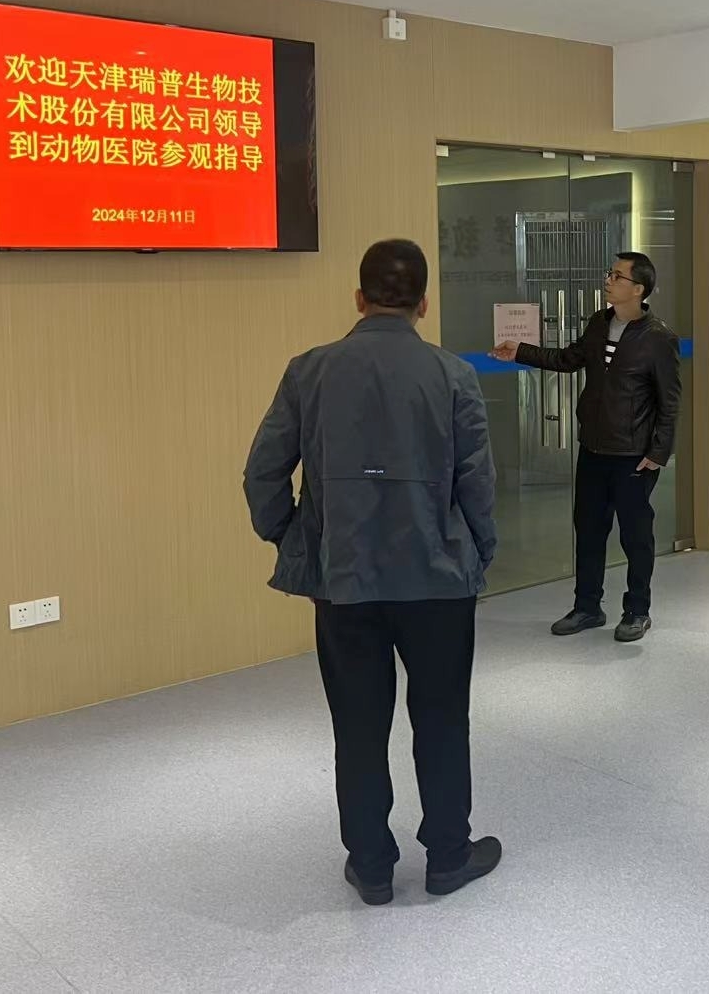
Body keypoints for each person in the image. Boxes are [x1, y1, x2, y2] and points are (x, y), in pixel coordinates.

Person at [243, 239, 502, 907]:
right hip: (439, 580)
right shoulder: (452, 375)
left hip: (345, 579)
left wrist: (294, 537)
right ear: (424, 304)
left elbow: (263, 473)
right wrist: (480, 551)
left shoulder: (310, 371)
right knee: (442, 718)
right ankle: (448, 856)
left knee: (357, 726)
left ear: (359, 299)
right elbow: (477, 482)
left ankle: (372, 865)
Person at [491, 252, 681, 642]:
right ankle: (587, 607)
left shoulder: (658, 337)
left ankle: (637, 610)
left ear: (638, 289)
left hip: (633, 456)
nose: (608, 280)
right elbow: (568, 358)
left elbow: (670, 400)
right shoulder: (598, 323)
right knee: (589, 531)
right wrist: (521, 351)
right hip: (593, 449)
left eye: (617, 276)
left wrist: (658, 452)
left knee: (635, 537)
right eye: (610, 273)